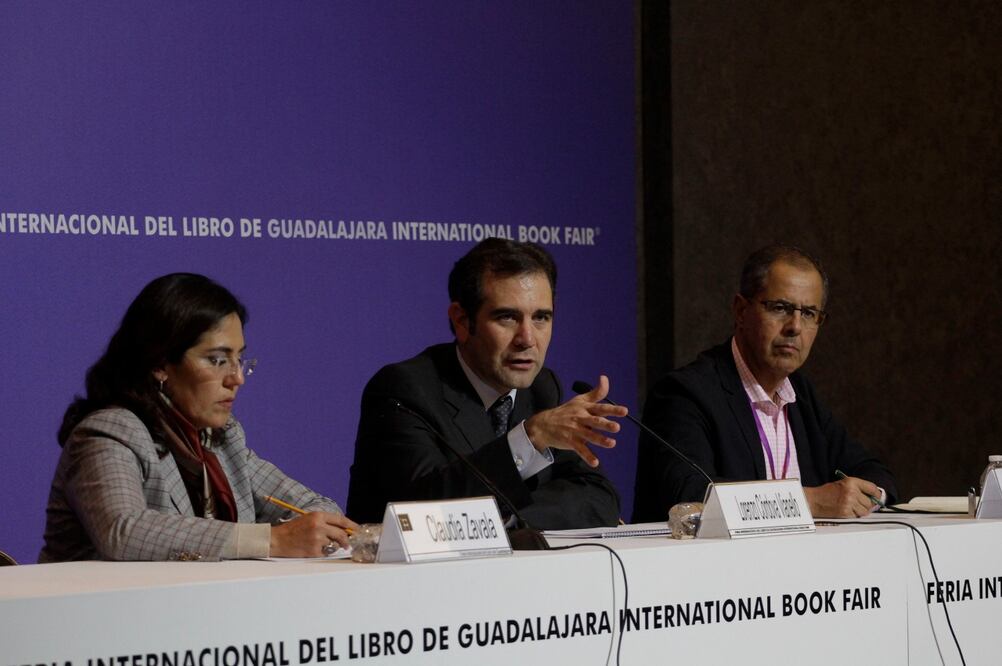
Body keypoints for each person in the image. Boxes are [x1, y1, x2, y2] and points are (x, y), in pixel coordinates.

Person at [40, 273, 357, 562]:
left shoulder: (219, 440)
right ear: (160, 365)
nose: (236, 378)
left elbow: (315, 506)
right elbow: (124, 531)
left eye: (240, 359)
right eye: (218, 360)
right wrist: (272, 540)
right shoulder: (109, 432)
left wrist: (317, 528)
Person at [346, 238, 626, 529]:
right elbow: (422, 511)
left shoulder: (542, 387)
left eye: (541, 317)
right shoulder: (405, 390)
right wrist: (529, 439)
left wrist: (510, 522)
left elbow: (598, 497)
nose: (527, 339)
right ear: (462, 321)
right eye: (507, 317)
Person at [633, 244, 897, 521]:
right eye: (781, 308)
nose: (795, 326)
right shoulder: (684, 394)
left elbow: (874, 472)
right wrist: (808, 503)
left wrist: (868, 495)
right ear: (740, 310)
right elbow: (690, 496)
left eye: (808, 313)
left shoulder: (801, 396)